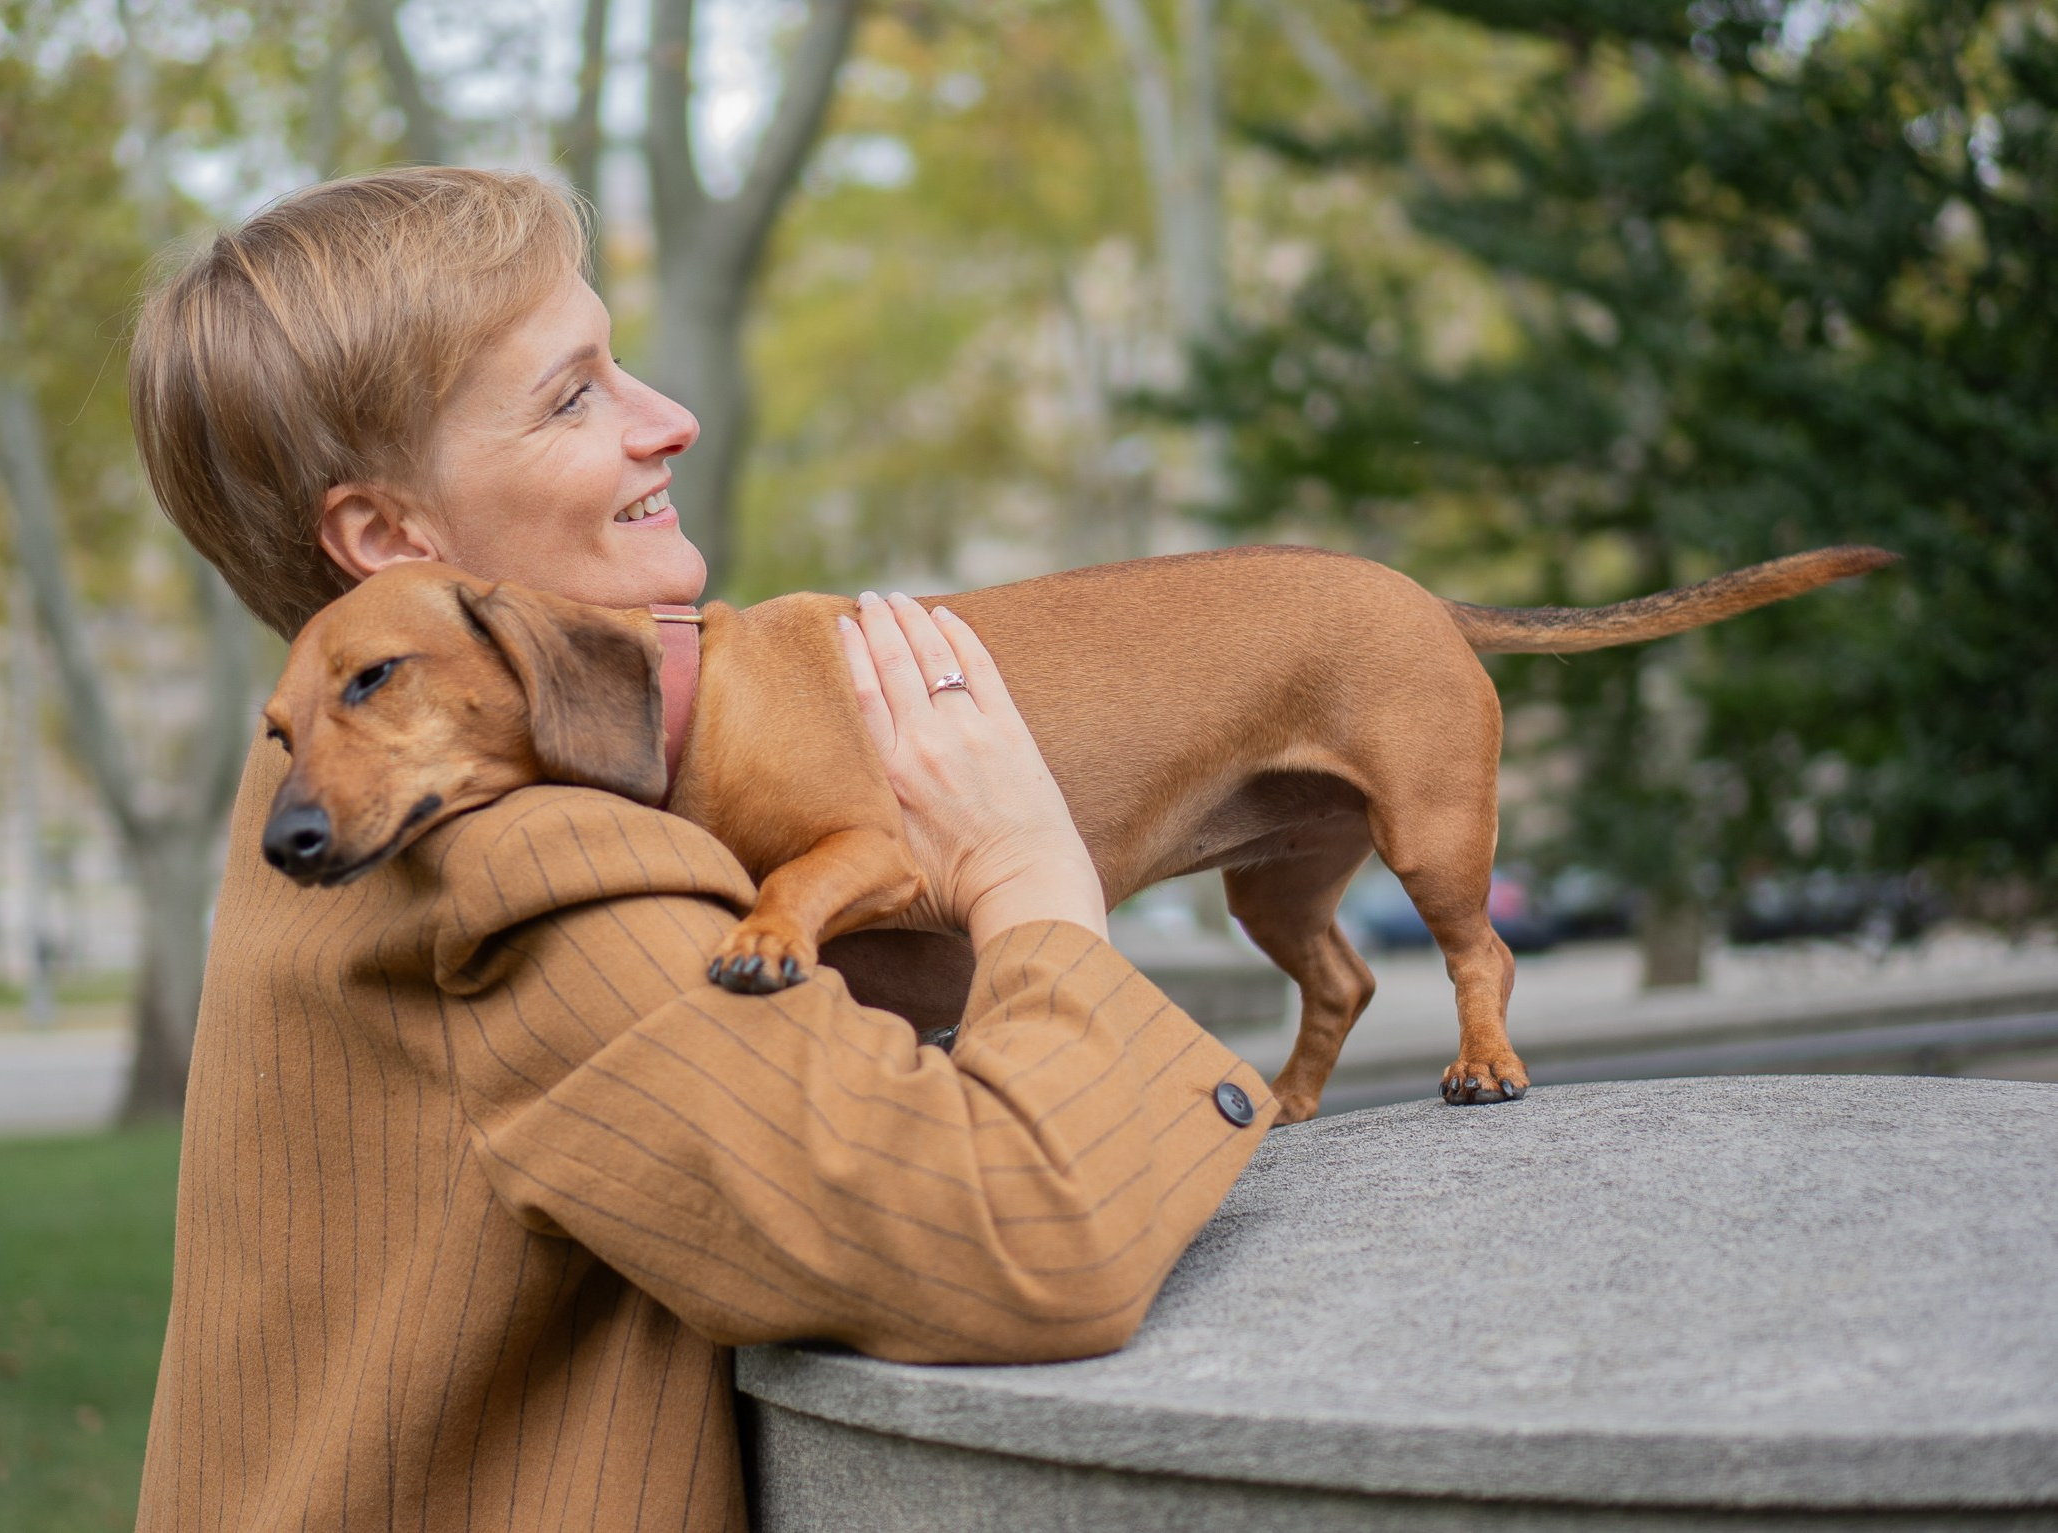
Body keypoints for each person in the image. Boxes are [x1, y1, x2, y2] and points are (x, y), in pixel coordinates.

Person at [127, 167, 1274, 1532]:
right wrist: (1030, 870)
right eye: (573, 398)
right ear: (389, 539)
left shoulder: (316, 775)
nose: (670, 420)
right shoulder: (529, 878)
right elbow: (1029, 1236)